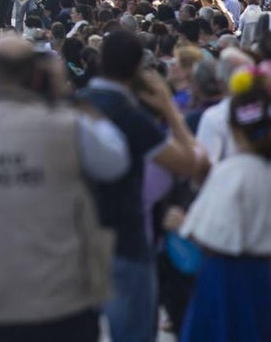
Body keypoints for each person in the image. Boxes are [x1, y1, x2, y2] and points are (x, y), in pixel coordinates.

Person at [0, 36, 130, 342]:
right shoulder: (71, 127)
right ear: (37, 77)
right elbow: (115, 161)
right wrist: (65, 99)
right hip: (61, 301)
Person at [79, 32, 205, 342]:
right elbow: (189, 164)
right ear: (137, 68)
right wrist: (170, 111)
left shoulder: (72, 107)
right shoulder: (132, 118)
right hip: (126, 242)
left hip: (75, 243)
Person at [178, 67, 271, 342]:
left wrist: (180, 222)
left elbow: (205, 234)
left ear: (233, 127)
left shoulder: (229, 172)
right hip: (270, 279)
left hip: (224, 279)